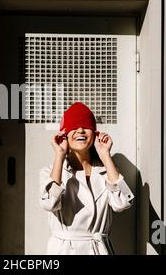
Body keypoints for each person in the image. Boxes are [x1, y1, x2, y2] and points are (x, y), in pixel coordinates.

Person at [39, 102, 135, 255]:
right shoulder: (51, 171)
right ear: (64, 134)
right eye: (74, 127)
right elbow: (49, 203)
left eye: (86, 126)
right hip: (64, 251)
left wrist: (105, 155)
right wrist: (59, 155)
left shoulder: (106, 170)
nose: (81, 130)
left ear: (94, 133)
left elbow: (122, 203)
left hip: (98, 250)